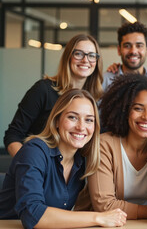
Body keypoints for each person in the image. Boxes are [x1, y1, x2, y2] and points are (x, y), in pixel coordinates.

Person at [0, 89, 127, 228]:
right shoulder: (34, 151)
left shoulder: (81, 160)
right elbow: (32, 215)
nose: (81, 127)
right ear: (56, 121)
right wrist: (99, 218)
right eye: (72, 117)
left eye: (89, 120)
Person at [74, 74, 147, 220]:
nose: (146, 116)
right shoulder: (104, 145)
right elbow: (104, 205)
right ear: (125, 110)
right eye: (138, 108)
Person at [4, 34, 104, 157]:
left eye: (92, 55)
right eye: (78, 54)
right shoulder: (43, 90)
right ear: (68, 57)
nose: (85, 60)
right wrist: (30, 166)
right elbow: (13, 135)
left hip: (73, 172)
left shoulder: (96, 99)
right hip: (38, 166)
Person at [102, 22, 147, 91]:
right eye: (127, 46)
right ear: (119, 50)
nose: (133, 51)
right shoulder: (104, 81)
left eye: (139, 46)